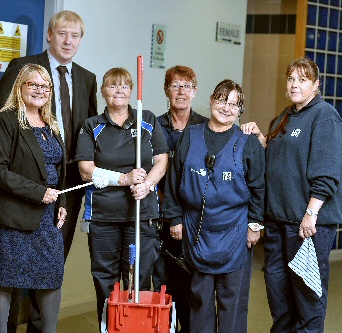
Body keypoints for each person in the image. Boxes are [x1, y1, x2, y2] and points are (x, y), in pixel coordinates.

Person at [0, 10, 97, 333]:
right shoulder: (21, 68)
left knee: (50, 269)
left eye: (75, 35)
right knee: (7, 274)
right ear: (50, 35)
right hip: (19, 189)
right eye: (62, 33)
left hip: (63, 188)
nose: (68, 41)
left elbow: (86, 135)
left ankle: (40, 328)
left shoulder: (86, 78)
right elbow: (2, 120)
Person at [241, 57, 342, 332]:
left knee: (308, 301)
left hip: (306, 227)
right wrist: (261, 137)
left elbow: (327, 171)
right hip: (277, 223)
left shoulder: (325, 116)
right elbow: (277, 160)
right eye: (291, 78)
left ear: (316, 85)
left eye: (303, 79)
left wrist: (311, 214)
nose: (295, 84)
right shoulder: (283, 117)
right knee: (279, 298)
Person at [162, 79, 265, 333]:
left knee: (232, 302)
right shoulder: (191, 135)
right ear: (211, 100)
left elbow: (259, 188)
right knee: (200, 300)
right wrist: (175, 218)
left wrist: (254, 225)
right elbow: (174, 180)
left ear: (240, 110)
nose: (226, 108)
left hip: (235, 233)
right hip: (196, 232)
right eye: (222, 100)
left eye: (234, 104)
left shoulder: (247, 142)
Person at [75, 67, 168, 331]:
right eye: (113, 86)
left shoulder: (147, 120)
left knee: (138, 280)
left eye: (125, 86)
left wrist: (147, 184)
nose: (119, 91)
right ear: (103, 91)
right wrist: (125, 179)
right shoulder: (92, 125)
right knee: (105, 281)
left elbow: (161, 160)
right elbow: (85, 170)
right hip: (103, 218)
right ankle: (110, 328)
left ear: (131, 91)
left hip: (141, 215)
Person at [0, 63, 67, 333]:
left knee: (51, 277)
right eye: (33, 84)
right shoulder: (6, 120)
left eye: (45, 86)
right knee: (5, 279)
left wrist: (62, 204)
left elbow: (60, 170)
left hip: (48, 218)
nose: (40, 90)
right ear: (20, 87)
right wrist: (38, 193)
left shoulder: (52, 124)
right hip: (14, 215)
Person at [153, 65, 208, 333]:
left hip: (197, 220)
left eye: (187, 86)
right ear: (166, 90)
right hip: (163, 217)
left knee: (195, 287)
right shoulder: (155, 126)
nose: (181, 92)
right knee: (166, 284)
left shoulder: (206, 127)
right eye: (175, 86)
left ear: (195, 91)